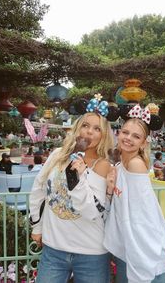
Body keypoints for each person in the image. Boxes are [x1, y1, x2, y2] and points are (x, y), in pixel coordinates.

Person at [29, 100, 114, 283]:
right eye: (85, 125)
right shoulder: (58, 154)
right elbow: (39, 189)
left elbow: (92, 212)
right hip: (54, 249)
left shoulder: (103, 165)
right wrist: (37, 226)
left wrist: (79, 177)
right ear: (77, 129)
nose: (89, 131)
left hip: (91, 253)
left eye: (97, 129)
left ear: (103, 136)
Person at [104, 104, 165, 283]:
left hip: (143, 255)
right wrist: (110, 191)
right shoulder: (120, 166)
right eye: (125, 132)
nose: (128, 138)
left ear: (144, 142)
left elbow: (141, 217)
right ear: (118, 133)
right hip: (128, 252)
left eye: (136, 136)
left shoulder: (136, 165)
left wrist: (141, 261)